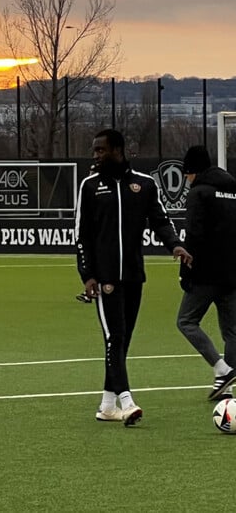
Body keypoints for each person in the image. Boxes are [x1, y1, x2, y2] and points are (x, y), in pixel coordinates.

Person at [76, 129, 192, 426]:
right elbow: (81, 236)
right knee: (114, 337)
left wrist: (175, 245)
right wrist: (87, 275)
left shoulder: (144, 184)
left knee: (122, 340)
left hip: (134, 275)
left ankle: (106, 405)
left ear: (118, 150)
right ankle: (126, 402)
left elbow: (160, 220)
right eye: (95, 150)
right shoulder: (89, 186)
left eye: (101, 150)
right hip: (105, 278)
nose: (96, 155)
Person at [176, 145, 236, 400]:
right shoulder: (233, 189)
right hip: (233, 272)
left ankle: (222, 370)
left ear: (192, 171)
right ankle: (229, 387)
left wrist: (185, 272)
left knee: (186, 321)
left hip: (206, 273)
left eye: (187, 173)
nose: (187, 179)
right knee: (232, 331)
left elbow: (194, 235)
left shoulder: (199, 193)